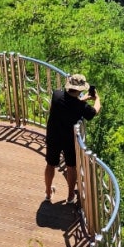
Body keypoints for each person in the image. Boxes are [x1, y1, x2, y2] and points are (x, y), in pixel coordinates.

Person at [44, 73, 101, 204]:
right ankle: (70, 196)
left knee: (50, 164)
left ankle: (48, 192)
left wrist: (83, 99)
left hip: (53, 135)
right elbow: (94, 111)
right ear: (80, 89)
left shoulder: (56, 95)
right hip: (69, 140)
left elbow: (69, 103)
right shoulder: (80, 107)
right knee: (71, 166)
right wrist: (97, 98)